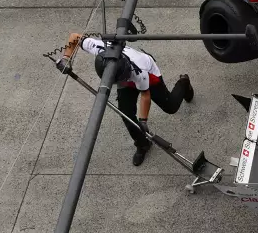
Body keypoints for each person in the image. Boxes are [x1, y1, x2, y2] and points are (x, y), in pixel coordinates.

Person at [59, 32, 194, 166]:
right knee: (126, 114)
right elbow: (74, 37)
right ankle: (142, 145)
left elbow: (145, 95)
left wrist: (143, 121)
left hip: (148, 76)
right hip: (124, 80)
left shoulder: (140, 71)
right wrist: (66, 58)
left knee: (170, 107)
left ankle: (184, 82)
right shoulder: (101, 49)